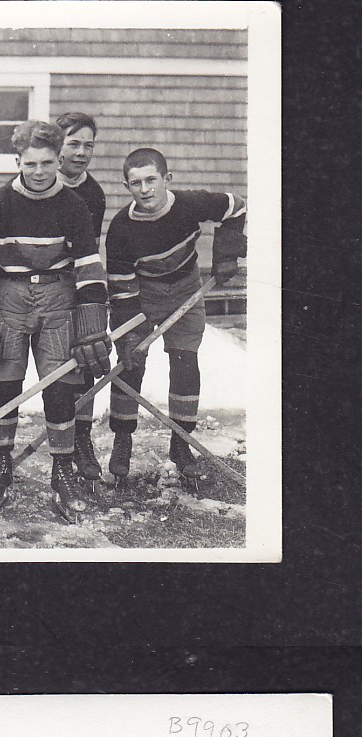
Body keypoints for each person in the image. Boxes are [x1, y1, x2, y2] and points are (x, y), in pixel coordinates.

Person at [0, 119, 111, 519]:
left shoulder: (73, 204)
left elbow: (87, 264)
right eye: (31, 164)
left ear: (57, 160)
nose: (40, 172)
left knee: (62, 385)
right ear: (18, 161)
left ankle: (62, 468)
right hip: (9, 297)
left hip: (57, 297)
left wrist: (92, 322)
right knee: (2, 384)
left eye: (47, 163)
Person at [104, 147, 246, 486]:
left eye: (151, 179)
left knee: (184, 364)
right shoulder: (121, 229)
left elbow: (236, 207)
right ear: (127, 187)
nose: (145, 189)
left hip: (187, 289)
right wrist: (129, 335)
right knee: (130, 364)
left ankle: (181, 445)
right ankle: (122, 439)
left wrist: (225, 254)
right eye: (135, 183)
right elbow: (122, 291)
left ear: (167, 179)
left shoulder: (191, 203)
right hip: (143, 295)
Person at [56, 111, 107, 485]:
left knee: (85, 361)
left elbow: (89, 253)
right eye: (73, 143)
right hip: (33, 288)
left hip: (76, 285)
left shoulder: (93, 193)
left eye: (88, 145)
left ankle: (82, 439)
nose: (81, 153)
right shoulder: (31, 181)